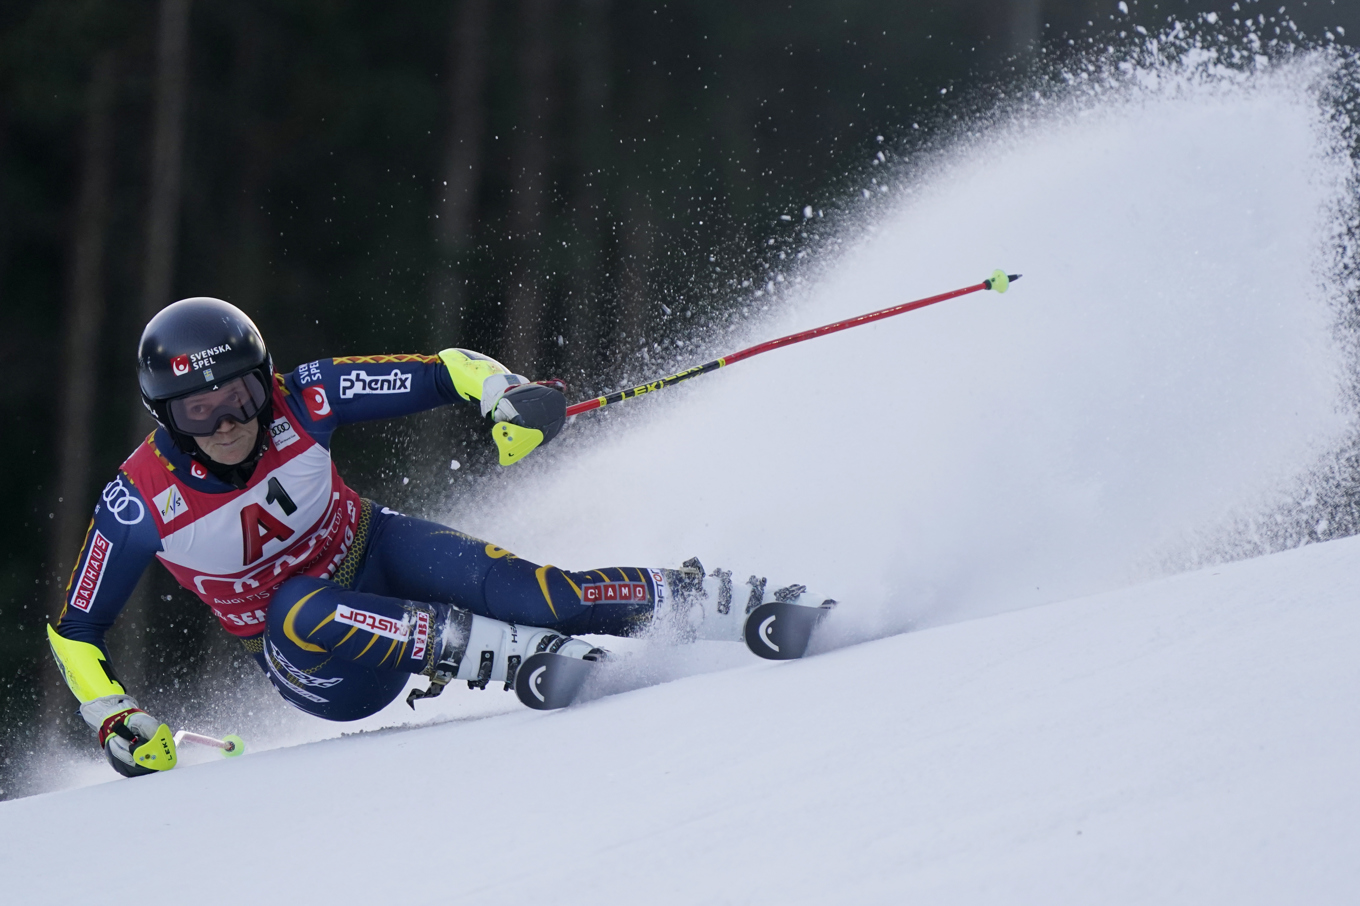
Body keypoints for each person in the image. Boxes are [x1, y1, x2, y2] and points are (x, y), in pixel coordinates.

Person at [48, 297, 827, 778]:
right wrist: (114, 718)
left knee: (541, 593)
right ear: (167, 417)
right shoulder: (138, 502)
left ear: (266, 379)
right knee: (296, 603)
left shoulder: (307, 396)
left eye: (242, 396)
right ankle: (501, 655)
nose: (229, 424)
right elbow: (75, 627)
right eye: (199, 411)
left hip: (374, 549)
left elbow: (447, 368)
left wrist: (505, 397)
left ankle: (725, 600)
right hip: (318, 660)